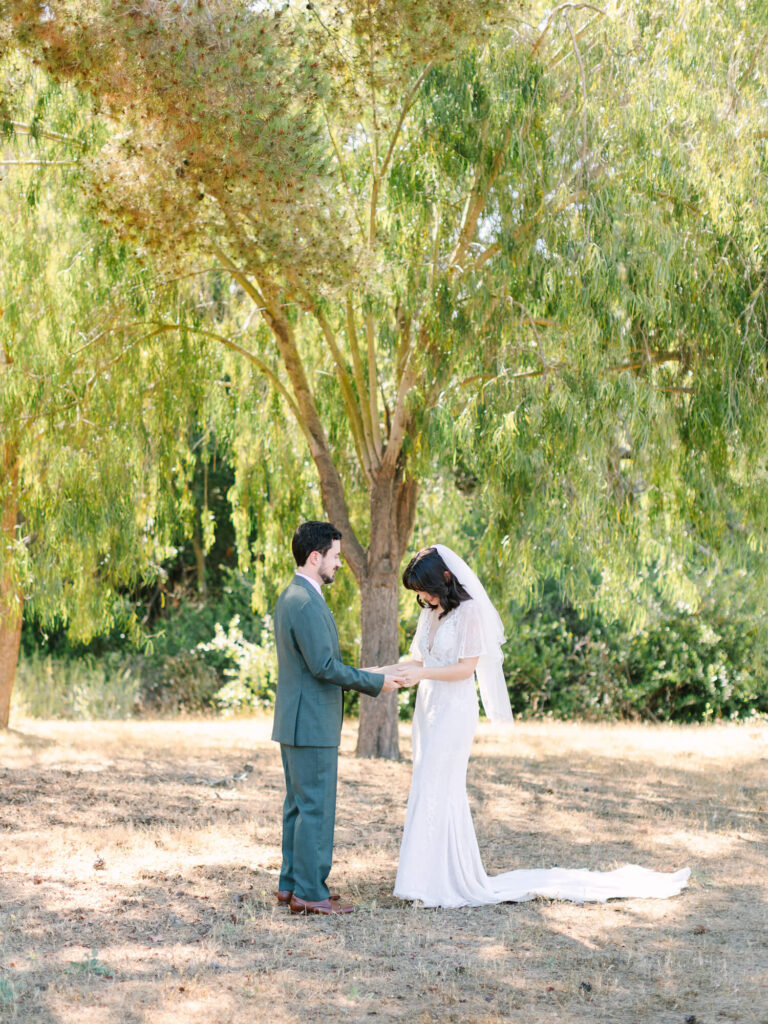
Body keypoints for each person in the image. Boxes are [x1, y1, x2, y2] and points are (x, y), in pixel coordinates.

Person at [387, 544, 690, 908]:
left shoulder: (468, 613)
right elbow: (418, 658)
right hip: (429, 708)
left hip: (454, 710)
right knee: (425, 783)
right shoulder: (429, 613)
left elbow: (466, 668)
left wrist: (422, 673)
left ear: (446, 578)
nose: (421, 596)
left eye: (424, 588)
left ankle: (437, 882)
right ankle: (427, 878)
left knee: (440, 784)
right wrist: (388, 672)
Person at [272, 521, 403, 916]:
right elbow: (325, 666)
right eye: (335, 557)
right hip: (311, 721)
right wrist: (375, 681)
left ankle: (291, 885)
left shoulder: (293, 596)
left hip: (298, 719)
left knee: (298, 805)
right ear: (315, 557)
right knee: (315, 806)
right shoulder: (307, 602)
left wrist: (371, 672)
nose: (340, 565)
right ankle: (311, 893)